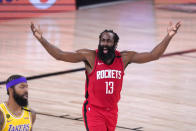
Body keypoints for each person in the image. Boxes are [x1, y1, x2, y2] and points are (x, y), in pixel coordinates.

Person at [30, 21, 181, 131]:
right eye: (102, 40)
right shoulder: (90, 56)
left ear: (115, 44)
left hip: (112, 111)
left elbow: (153, 55)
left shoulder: (124, 58)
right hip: (94, 111)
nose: (105, 43)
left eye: (109, 41)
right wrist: (41, 39)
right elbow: (60, 55)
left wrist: (169, 36)